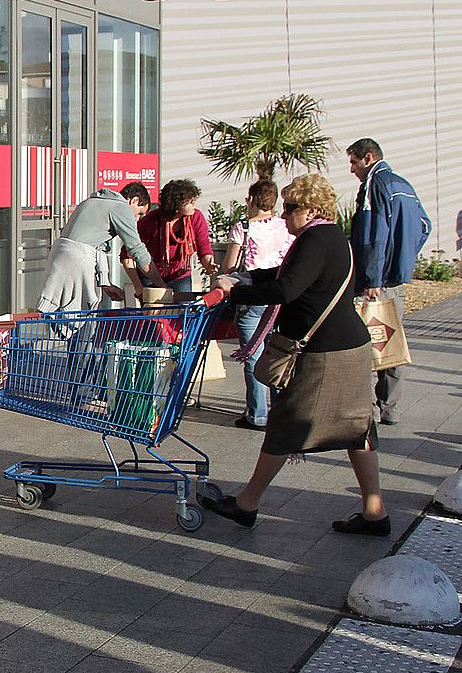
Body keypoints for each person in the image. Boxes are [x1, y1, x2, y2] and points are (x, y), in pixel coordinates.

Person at [203, 174, 387, 536]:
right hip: (347, 346)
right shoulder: (331, 235)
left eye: (290, 208)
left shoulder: (315, 239)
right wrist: (246, 278)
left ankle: (246, 504)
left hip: (324, 354)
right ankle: (374, 511)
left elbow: (287, 289)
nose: (284, 216)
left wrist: (233, 294)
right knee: (357, 427)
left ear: (312, 209)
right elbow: (285, 273)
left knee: (286, 422)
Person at [347, 138, 432, 426]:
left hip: (376, 279)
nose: (352, 170)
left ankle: (369, 409)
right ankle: (390, 408)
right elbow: (424, 226)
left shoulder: (374, 184)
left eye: (354, 162)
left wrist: (372, 276)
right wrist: (404, 258)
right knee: (391, 343)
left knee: (368, 342)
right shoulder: (403, 185)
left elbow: (374, 233)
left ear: (368, 158)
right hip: (395, 279)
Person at [220, 179, 294, 430]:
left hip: (251, 294)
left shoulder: (243, 228)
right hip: (279, 296)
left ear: (251, 200)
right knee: (279, 353)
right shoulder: (287, 225)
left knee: (253, 353)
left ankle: (258, 412)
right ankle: (280, 408)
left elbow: (230, 266)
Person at [38, 182, 165, 318]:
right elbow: (137, 250)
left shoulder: (90, 202)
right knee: (83, 317)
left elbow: (98, 248)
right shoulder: (121, 207)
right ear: (134, 200)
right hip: (78, 257)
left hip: (59, 255)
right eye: (140, 213)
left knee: (63, 313)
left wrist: (105, 284)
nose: (138, 218)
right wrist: (161, 285)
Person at [128, 178, 217, 294]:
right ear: (176, 203)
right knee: (152, 311)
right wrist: (138, 286)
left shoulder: (196, 217)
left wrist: (209, 264)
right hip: (150, 275)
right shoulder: (151, 221)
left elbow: (204, 247)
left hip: (180, 276)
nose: (193, 203)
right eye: (189, 200)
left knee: (180, 309)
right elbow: (129, 252)